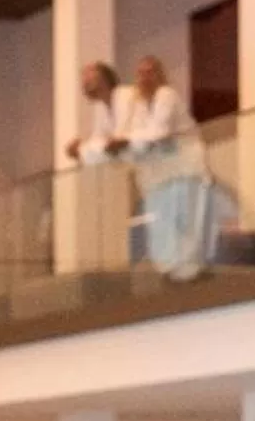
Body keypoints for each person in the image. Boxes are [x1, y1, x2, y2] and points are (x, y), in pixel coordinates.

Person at [119, 54, 216, 278]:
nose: (145, 78)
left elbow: (158, 132)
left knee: (188, 221)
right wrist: (124, 145)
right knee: (163, 225)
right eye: (141, 74)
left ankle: (194, 271)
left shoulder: (167, 96)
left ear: (159, 75)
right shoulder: (136, 107)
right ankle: (172, 272)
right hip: (157, 179)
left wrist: (129, 142)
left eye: (150, 72)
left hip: (185, 171)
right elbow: (130, 143)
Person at [62, 62, 129, 163]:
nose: (84, 86)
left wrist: (84, 148)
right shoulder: (100, 106)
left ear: (103, 81)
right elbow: (99, 138)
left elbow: (120, 139)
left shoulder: (126, 96)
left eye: (88, 81)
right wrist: (81, 147)